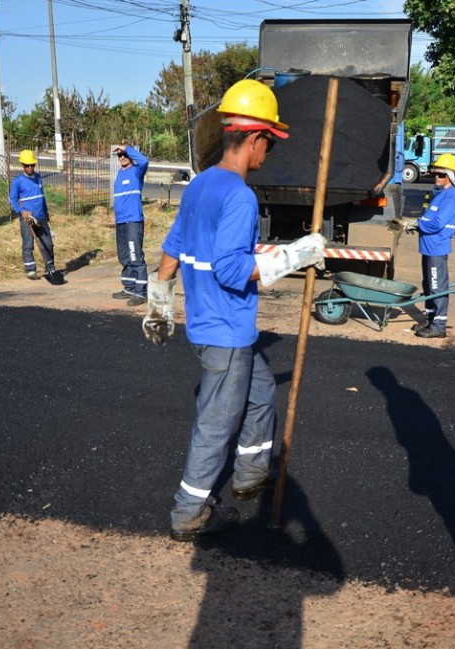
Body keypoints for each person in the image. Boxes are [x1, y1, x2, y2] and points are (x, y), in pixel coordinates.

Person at [141, 79, 325, 542]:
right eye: (270, 143)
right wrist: (294, 257)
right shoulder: (240, 196)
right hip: (225, 330)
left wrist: (159, 302)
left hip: (212, 326)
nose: (269, 154)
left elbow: (173, 248)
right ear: (256, 137)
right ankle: (188, 513)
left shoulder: (201, 183)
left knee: (261, 393)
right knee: (216, 423)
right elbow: (229, 269)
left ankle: (249, 475)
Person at [412, 153, 455, 339]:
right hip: (428, 247)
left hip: (437, 248)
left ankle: (438, 326)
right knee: (429, 285)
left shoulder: (450, 197)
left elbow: (437, 223)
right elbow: (429, 218)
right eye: (435, 174)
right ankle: (430, 321)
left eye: (441, 174)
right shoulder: (440, 195)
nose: (436, 177)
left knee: (436, 286)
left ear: (449, 176)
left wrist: (418, 224)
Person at [10, 149, 62, 283]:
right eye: (27, 165)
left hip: (41, 216)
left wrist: (46, 211)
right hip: (28, 217)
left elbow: (41, 196)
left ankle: (50, 267)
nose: (30, 167)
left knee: (48, 242)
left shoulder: (38, 177)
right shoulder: (18, 181)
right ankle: (30, 269)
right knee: (29, 243)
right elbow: (13, 199)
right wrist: (22, 211)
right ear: (22, 165)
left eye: (32, 165)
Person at [111, 144, 150, 306]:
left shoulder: (137, 171)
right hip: (120, 222)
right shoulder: (120, 174)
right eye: (120, 155)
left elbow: (145, 161)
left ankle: (141, 292)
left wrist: (127, 148)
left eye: (125, 155)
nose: (122, 157)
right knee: (124, 256)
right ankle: (129, 287)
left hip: (133, 221)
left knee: (135, 257)